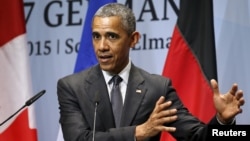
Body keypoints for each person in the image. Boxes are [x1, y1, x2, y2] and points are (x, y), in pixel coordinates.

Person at [57, 3, 244, 141]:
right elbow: (77, 139)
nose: (102, 46)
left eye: (112, 36)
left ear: (133, 39)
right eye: (97, 36)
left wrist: (222, 123)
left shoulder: (157, 88)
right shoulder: (72, 87)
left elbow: (195, 136)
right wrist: (139, 132)